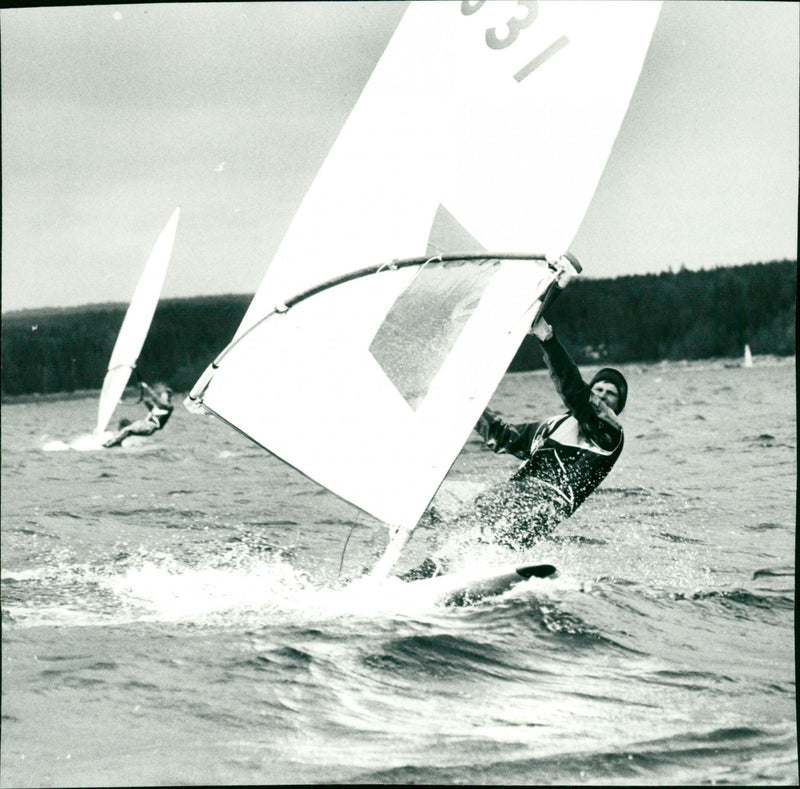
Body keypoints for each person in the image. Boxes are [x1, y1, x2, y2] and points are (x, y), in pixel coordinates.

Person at [401, 315, 627, 580]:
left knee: (482, 540)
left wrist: (548, 340)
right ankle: (421, 573)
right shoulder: (554, 426)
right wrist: (464, 404)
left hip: (542, 508)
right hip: (509, 496)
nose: (600, 395)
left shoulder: (610, 434)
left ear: (617, 406)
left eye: (609, 393)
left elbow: (575, 391)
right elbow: (503, 436)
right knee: (442, 502)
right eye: (597, 388)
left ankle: (462, 565)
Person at [103, 381, 174, 447]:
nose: (161, 396)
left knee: (128, 430)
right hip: (143, 423)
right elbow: (151, 404)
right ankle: (118, 440)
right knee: (123, 421)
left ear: (168, 397)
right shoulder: (159, 406)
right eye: (162, 395)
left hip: (149, 427)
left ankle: (111, 443)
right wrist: (122, 402)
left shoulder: (169, 406)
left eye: (164, 395)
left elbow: (157, 399)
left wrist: (147, 387)